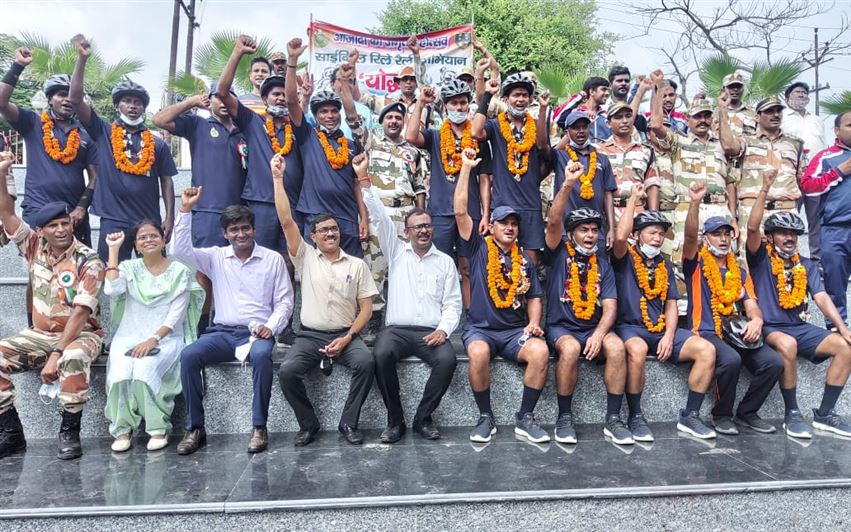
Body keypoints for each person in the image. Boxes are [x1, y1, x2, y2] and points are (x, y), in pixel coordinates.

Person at [171, 187, 294, 455]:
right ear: (225, 234)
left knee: (263, 356)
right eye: (234, 230)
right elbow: (179, 250)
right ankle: (195, 428)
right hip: (222, 333)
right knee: (190, 355)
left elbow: (285, 302)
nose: (241, 234)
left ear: (254, 230)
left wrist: (270, 327)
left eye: (245, 228)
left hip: (257, 335)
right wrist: (185, 210)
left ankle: (259, 426)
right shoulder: (215, 257)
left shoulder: (272, 259)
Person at [0, 155, 105, 460]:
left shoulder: (89, 260)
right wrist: (3, 173)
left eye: (65, 223)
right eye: (54, 226)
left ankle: (69, 432)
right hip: (39, 335)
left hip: (81, 335)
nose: (61, 230)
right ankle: (11, 433)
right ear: (42, 230)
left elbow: (82, 313)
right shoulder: (34, 248)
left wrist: (56, 353)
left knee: (72, 357)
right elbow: (6, 214)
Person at [272, 153, 377, 447]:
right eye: (324, 231)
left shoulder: (356, 264)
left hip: (347, 334)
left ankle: (349, 422)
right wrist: (278, 179)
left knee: (367, 362)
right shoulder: (304, 257)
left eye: (334, 229)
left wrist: (348, 338)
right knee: (289, 371)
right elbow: (285, 219)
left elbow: (367, 308)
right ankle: (308, 424)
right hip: (309, 336)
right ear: (313, 236)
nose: (331, 233)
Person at [356, 153, 462, 443]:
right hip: (397, 331)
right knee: (380, 354)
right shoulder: (396, 251)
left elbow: (453, 303)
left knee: (448, 360)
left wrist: (443, 330)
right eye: (417, 227)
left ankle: (423, 418)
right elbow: (377, 214)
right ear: (407, 232)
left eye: (427, 225)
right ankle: (395, 420)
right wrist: (364, 178)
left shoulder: (445, 262)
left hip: (431, 332)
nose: (424, 230)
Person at [454, 148, 550, 444]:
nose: (509, 227)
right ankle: (486, 417)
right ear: (491, 226)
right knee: (479, 353)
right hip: (481, 329)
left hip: (512, 333)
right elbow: (460, 211)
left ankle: (525, 417)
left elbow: (534, 295)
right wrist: (467, 169)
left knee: (540, 352)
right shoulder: (478, 248)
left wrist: (533, 323)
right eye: (503, 223)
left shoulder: (524, 259)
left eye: (514, 223)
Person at [746, 170, 851, 438]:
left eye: (793, 233)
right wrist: (765, 189)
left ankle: (825, 414)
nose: (789, 238)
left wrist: (842, 328)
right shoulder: (760, 258)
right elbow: (751, 227)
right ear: (771, 237)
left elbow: (822, 297)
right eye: (782, 233)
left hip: (798, 326)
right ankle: (792, 413)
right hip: (769, 327)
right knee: (787, 344)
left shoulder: (805, 264)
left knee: (845, 346)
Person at [612, 185, 718, 440]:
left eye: (661, 234)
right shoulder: (624, 256)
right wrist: (634, 200)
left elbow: (671, 302)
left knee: (707, 350)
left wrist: (670, 335)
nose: (658, 238)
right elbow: (619, 237)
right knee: (636, 350)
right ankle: (635, 416)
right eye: (652, 233)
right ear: (637, 235)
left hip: (659, 328)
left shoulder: (664, 263)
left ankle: (690, 415)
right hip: (630, 328)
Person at [682, 182, 783, 435]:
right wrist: (694, 203)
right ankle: (721, 414)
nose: (724, 239)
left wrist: (757, 320)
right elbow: (689, 237)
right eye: (717, 234)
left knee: (773, 362)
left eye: (727, 234)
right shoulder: (695, 264)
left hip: (735, 331)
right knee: (731, 359)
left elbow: (751, 304)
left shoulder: (739, 271)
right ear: (706, 239)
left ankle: (747, 412)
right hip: (705, 330)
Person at [68, 35, 176, 261]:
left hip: (149, 221)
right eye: (127, 101)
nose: (133, 106)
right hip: (114, 219)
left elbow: (166, 180)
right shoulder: (103, 131)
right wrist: (82, 59)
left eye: (138, 102)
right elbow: (76, 100)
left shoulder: (156, 143)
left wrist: (169, 218)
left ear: (144, 108)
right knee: (112, 275)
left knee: (153, 276)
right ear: (118, 106)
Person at [544, 164, 630, 445]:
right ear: (572, 234)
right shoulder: (558, 252)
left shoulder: (602, 264)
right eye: (584, 230)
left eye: (595, 229)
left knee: (617, 347)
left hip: (593, 328)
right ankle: (564, 417)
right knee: (569, 348)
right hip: (562, 327)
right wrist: (568, 184)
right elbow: (555, 221)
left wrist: (599, 334)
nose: (591, 235)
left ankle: (614, 419)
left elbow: (611, 306)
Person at [153, 84, 247, 334]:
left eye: (229, 97)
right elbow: (159, 119)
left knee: (236, 271)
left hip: (239, 215)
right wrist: (191, 102)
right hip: (206, 211)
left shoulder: (244, 132)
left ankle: (232, 322)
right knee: (205, 273)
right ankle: (203, 324)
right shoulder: (198, 125)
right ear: (211, 101)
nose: (224, 103)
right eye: (219, 98)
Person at [103, 223, 203, 452]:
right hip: (128, 336)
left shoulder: (180, 271)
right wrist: (113, 249)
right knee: (120, 372)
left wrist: (153, 339)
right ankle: (123, 429)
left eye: (153, 235)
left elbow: (176, 315)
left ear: (163, 240)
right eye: (142, 237)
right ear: (136, 245)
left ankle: (157, 428)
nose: (148, 240)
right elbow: (112, 290)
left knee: (145, 369)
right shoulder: (128, 268)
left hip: (165, 337)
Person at [406, 80, 492, 307]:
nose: (459, 107)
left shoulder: (478, 137)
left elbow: (484, 179)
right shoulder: (435, 136)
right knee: (438, 265)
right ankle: (437, 315)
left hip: (470, 212)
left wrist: (485, 214)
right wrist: (421, 103)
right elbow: (411, 136)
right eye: (454, 103)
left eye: (463, 103)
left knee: (468, 266)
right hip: (440, 212)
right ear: (445, 107)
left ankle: (472, 317)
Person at [0, 47, 97, 247]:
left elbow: (95, 177)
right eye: (62, 94)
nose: (67, 99)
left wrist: (81, 207)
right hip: (38, 212)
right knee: (40, 271)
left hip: (72, 217)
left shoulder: (87, 133)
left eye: (71, 96)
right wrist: (18, 66)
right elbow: (1, 103)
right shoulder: (33, 123)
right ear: (50, 99)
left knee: (76, 273)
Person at [216, 35, 304, 254]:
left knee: (292, 262)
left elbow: (294, 100)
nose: (281, 98)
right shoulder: (253, 122)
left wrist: (291, 62)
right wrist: (236, 53)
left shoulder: (298, 124)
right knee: (260, 261)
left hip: (292, 205)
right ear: (264, 100)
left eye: (284, 93)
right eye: (275, 94)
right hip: (261, 204)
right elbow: (223, 93)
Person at [286, 38, 368, 258]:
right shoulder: (307, 136)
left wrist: (364, 218)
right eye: (323, 112)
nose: (329, 116)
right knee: (316, 278)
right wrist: (292, 61)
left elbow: (357, 185)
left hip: (348, 220)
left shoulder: (351, 145)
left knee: (350, 278)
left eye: (334, 111)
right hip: (315, 217)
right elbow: (292, 103)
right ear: (316, 115)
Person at [472, 72, 549, 266]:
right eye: (516, 95)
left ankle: (528, 298)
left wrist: (542, 109)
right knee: (501, 264)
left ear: (530, 99)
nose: (520, 99)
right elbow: (475, 131)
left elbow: (542, 145)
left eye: (524, 95)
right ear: (506, 99)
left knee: (530, 264)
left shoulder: (534, 125)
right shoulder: (496, 125)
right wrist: (488, 95)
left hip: (531, 205)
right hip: (503, 204)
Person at [360, 102, 426, 316]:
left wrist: (420, 218)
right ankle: (373, 317)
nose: (394, 121)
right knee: (376, 267)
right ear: (382, 122)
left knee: (407, 266)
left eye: (398, 118)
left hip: (406, 214)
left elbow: (419, 187)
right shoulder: (371, 142)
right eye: (390, 117)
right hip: (379, 213)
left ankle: (404, 315)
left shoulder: (413, 151)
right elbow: (352, 117)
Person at [718, 95, 805, 239]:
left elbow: (801, 178)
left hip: (786, 211)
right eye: (769, 111)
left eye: (778, 110)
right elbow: (728, 146)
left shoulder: (795, 143)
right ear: (757, 117)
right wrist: (722, 110)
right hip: (752, 211)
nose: (775, 114)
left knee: (787, 260)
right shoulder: (746, 141)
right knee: (749, 260)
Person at [799, 110, 851, 322]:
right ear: (836, 130)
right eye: (850, 125)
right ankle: (839, 334)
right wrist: (838, 171)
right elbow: (807, 186)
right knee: (835, 286)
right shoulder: (826, 157)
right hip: (835, 230)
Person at [545, 111, 617, 249]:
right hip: (567, 231)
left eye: (584, 127)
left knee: (597, 269)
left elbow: (608, 195)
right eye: (575, 127)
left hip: (596, 232)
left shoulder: (602, 158)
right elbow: (544, 147)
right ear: (567, 132)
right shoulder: (560, 156)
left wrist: (611, 230)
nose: (581, 131)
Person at [596, 101, 659, 222]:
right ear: (608, 123)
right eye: (618, 117)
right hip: (607, 213)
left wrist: (653, 218)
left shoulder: (645, 150)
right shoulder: (598, 150)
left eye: (628, 116)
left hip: (637, 212)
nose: (624, 121)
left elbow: (652, 185)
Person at [783, 81, 826, 259]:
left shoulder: (816, 120)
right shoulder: (782, 117)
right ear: (787, 98)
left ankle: (816, 260)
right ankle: (790, 257)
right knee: (790, 217)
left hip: (816, 175)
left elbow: (823, 145)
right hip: (791, 175)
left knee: (816, 220)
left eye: (804, 93)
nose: (801, 95)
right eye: (797, 92)